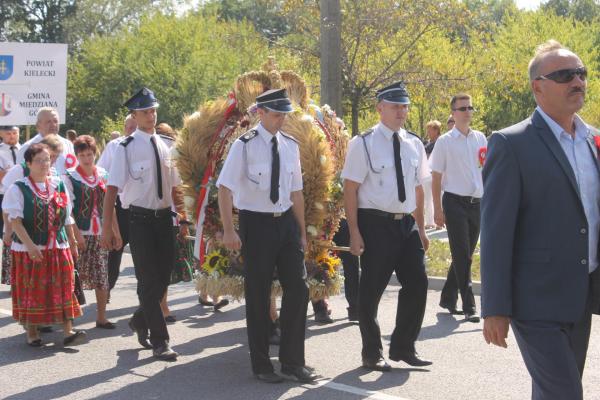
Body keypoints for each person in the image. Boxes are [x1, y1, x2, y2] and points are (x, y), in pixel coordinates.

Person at [481, 40, 600, 400]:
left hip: (580, 294)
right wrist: (495, 308)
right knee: (565, 393)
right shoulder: (511, 144)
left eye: (580, 73)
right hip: (535, 300)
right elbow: (496, 232)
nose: (576, 81)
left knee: (554, 392)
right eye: (565, 75)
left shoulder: (594, 139)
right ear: (538, 87)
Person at [218, 88, 317, 383]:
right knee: (259, 295)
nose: (281, 120)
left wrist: (301, 231)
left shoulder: (290, 145)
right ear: (260, 113)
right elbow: (224, 189)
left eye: (284, 114)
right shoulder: (244, 146)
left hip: (286, 223)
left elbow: (296, 192)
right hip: (257, 225)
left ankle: (292, 362)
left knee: (298, 290)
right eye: (276, 115)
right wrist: (228, 229)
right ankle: (261, 365)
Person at [342, 81, 431, 371]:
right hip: (375, 223)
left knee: (418, 283)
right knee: (371, 292)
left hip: (406, 224)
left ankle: (404, 346)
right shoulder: (363, 143)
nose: (401, 112)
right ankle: (372, 352)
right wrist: (354, 231)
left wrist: (421, 228)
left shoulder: (414, 143)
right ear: (379, 107)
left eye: (404, 106)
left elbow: (418, 189)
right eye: (395, 106)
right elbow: (350, 189)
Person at [101, 87, 184, 361]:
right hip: (138, 220)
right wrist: (107, 227)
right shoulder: (125, 148)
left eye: (153, 110)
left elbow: (175, 187)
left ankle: (139, 319)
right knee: (149, 280)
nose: (151, 115)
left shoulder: (165, 145)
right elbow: (111, 190)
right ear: (134, 115)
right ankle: (161, 341)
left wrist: (182, 216)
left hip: (164, 220)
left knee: (164, 276)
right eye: (145, 111)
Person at [4, 143, 85, 346]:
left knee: (65, 286)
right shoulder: (19, 188)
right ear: (28, 163)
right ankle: (32, 332)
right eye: (38, 160)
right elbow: (16, 222)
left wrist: (73, 241)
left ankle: (68, 331)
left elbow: (67, 217)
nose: (43, 164)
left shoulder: (58, 184)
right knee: (33, 289)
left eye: (47, 160)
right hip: (30, 248)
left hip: (58, 246)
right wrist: (30, 246)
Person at [429, 93, 487, 322]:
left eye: (470, 108)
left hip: (477, 203)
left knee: (465, 253)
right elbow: (435, 178)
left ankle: (447, 296)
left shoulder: (481, 138)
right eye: (462, 108)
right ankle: (469, 305)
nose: (467, 112)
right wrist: (437, 209)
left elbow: (486, 170)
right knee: (463, 255)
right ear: (453, 113)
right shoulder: (444, 142)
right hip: (454, 203)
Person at [65, 135, 117, 329]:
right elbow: (68, 210)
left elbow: (110, 207)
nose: (87, 158)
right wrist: (77, 236)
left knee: (102, 274)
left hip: (100, 233)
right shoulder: (70, 176)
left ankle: (101, 317)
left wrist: (115, 232)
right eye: (82, 155)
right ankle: (68, 321)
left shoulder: (103, 174)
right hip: (80, 232)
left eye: (90, 154)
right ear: (77, 156)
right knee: (71, 276)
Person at [2, 135, 64, 288]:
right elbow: (6, 203)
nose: (50, 162)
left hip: (48, 239)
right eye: (50, 156)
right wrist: (8, 230)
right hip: (20, 230)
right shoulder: (19, 172)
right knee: (24, 282)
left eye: (52, 158)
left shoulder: (54, 175)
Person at [97, 114, 137, 297]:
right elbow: (102, 173)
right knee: (115, 251)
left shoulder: (147, 143)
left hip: (139, 204)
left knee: (142, 253)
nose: (132, 130)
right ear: (124, 127)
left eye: (135, 127)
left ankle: (146, 298)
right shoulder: (114, 146)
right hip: (119, 204)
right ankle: (107, 292)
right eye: (129, 127)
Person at [17, 107, 75, 174]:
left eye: (55, 121)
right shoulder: (27, 148)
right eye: (48, 122)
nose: (53, 125)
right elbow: (21, 174)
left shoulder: (68, 144)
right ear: (38, 125)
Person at [0, 126, 20, 285]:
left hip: (22, 195)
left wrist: (10, 171)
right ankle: (11, 277)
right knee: (7, 234)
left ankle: (19, 276)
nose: (12, 136)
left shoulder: (25, 149)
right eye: (8, 133)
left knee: (19, 234)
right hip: (3, 195)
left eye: (15, 133)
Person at [423, 120, 441, 228]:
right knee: (428, 198)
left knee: (439, 197)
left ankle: (440, 221)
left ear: (436, 130)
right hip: (427, 173)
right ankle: (430, 221)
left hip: (438, 173)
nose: (428, 132)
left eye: (430, 130)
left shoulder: (442, 142)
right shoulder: (428, 143)